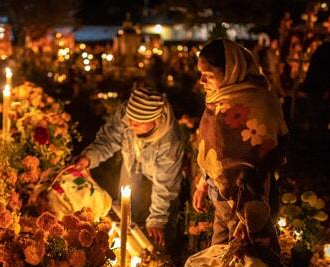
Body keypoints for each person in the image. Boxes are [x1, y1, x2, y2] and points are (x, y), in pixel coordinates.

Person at [192, 39, 288, 252]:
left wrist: (247, 218)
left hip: (248, 200)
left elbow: (258, 162)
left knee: (248, 258)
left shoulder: (258, 102)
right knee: (218, 255)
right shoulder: (217, 97)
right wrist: (203, 182)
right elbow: (211, 147)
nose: (201, 80)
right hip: (221, 193)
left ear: (231, 70)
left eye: (208, 75)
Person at [75, 86, 184, 249]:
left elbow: (166, 184)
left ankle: (160, 251)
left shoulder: (169, 142)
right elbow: (108, 140)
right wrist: (88, 159)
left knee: (157, 231)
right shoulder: (128, 115)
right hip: (131, 164)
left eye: (138, 123)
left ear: (155, 121)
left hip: (159, 177)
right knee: (126, 213)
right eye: (129, 119)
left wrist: (158, 218)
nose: (131, 125)